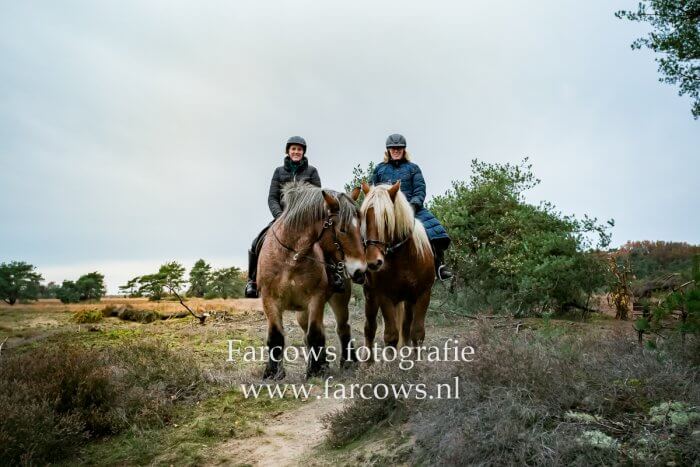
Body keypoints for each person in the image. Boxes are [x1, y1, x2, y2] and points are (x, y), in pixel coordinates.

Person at [245, 136, 342, 298]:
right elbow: (272, 198)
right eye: (293, 149)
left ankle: (334, 276)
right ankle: (252, 281)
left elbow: (317, 197)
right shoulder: (279, 172)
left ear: (303, 152)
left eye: (299, 149)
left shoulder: (312, 171)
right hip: (282, 218)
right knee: (257, 241)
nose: (296, 152)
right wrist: (279, 217)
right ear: (288, 151)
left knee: (325, 241)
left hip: (307, 221)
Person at [370, 133, 453, 280]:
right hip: (385, 211)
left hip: (412, 208)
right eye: (393, 148)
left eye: (399, 148)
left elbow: (420, 189)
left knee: (436, 232)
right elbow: (372, 189)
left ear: (404, 150)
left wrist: (413, 205)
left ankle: (439, 266)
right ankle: (364, 267)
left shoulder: (413, 168)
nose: (396, 150)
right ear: (388, 150)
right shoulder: (379, 169)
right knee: (366, 231)